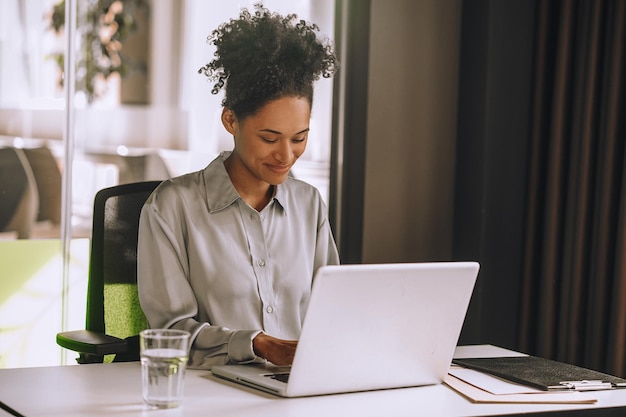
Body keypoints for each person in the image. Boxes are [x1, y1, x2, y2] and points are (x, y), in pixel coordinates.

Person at [137, 4, 339, 370]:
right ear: (231, 120)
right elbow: (170, 331)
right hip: (210, 392)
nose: (286, 154)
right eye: (269, 137)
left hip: (302, 390)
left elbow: (335, 312)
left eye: (300, 138)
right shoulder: (170, 207)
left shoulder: (310, 205)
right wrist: (256, 344)